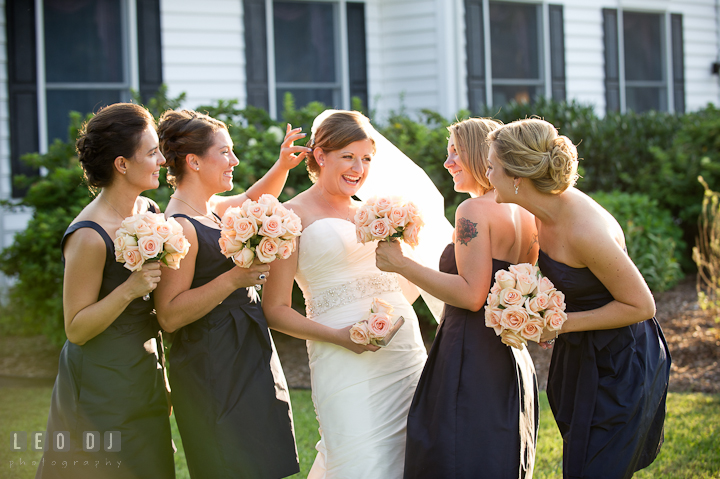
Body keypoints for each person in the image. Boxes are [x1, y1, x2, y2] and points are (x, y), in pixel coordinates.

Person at [486, 118, 671, 478]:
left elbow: (641, 305)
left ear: (517, 178)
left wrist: (561, 324)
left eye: (492, 166)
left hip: (621, 362)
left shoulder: (583, 228)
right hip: (582, 355)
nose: (487, 173)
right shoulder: (542, 210)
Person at [261, 110, 428, 479]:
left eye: (366, 158)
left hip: (402, 352)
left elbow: (407, 280)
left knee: (411, 456)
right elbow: (275, 309)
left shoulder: (378, 213)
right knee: (358, 456)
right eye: (348, 156)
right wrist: (341, 336)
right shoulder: (290, 216)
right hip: (338, 352)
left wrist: (389, 313)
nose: (359, 168)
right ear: (320, 156)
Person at [375, 118, 539, 478]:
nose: (448, 163)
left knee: (454, 457)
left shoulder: (473, 212)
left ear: (482, 155)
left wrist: (401, 264)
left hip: (470, 355)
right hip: (510, 354)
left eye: (456, 154)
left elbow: (471, 296)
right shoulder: (525, 212)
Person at [153, 109, 305, 479]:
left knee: (263, 463)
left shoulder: (214, 210)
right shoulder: (180, 227)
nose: (234, 160)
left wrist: (283, 165)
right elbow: (169, 315)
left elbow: (254, 196)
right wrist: (234, 280)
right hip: (212, 364)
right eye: (225, 152)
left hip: (247, 351)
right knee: (229, 463)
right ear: (193, 161)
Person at [36, 103, 174, 478]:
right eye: (151, 152)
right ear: (122, 164)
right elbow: (76, 328)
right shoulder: (88, 235)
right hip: (99, 386)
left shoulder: (148, 210)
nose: (162, 159)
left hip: (142, 371)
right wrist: (129, 289)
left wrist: (161, 376)